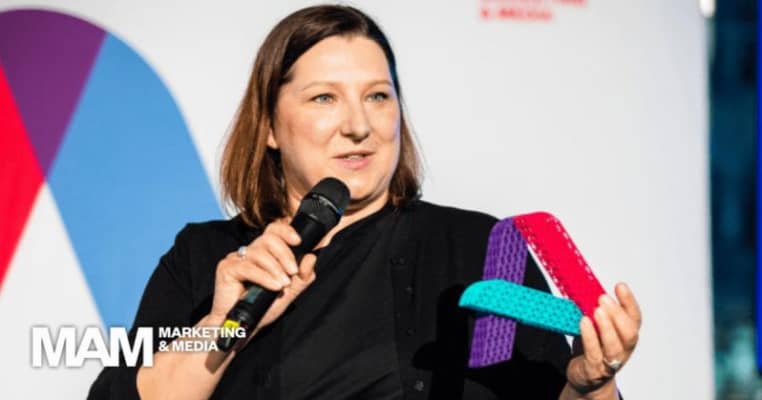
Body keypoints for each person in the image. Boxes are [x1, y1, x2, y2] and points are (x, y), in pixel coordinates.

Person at [89, 5, 641, 399]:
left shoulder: (482, 247)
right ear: (270, 126)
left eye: (377, 96)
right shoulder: (207, 257)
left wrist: (589, 387)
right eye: (324, 98)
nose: (359, 125)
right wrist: (223, 325)